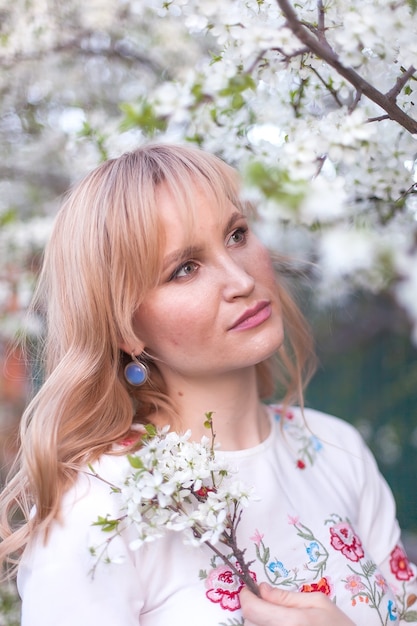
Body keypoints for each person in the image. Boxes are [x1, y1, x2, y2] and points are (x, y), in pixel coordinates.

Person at [0, 143, 416, 626]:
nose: (240, 279)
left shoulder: (335, 448)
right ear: (123, 328)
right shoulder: (99, 511)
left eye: (237, 234)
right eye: (185, 269)